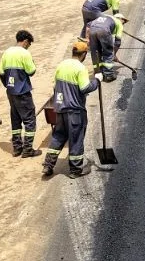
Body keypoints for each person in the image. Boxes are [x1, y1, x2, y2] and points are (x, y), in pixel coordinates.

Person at [42, 51, 101, 179]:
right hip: (75, 111)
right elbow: (85, 88)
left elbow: (55, 87)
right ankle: (75, 170)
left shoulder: (61, 65)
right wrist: (96, 81)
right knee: (76, 139)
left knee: (58, 136)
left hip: (60, 109)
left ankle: (48, 165)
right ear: (84, 54)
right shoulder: (81, 68)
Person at [0, 30, 39, 158]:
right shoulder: (24, 53)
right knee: (29, 119)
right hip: (23, 92)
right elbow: (31, 71)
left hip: (11, 92)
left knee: (15, 119)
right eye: (29, 44)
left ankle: (17, 148)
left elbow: (1, 73)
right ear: (26, 41)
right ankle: (28, 150)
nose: (28, 46)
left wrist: (8, 86)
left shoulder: (6, 52)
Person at [86, 12, 128, 82]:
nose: (123, 24)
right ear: (121, 19)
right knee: (108, 52)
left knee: (95, 52)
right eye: (124, 22)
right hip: (104, 30)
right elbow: (118, 42)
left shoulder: (105, 16)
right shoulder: (119, 23)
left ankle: (98, 72)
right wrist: (113, 54)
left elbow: (88, 25)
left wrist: (87, 38)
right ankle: (109, 75)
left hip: (92, 29)